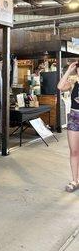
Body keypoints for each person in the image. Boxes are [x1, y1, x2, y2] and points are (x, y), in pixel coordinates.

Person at [57, 61, 79, 192]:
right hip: (74, 118)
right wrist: (69, 70)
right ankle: (75, 180)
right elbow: (60, 86)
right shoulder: (72, 83)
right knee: (74, 151)